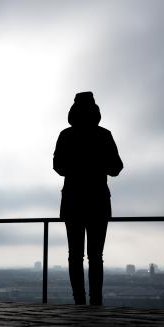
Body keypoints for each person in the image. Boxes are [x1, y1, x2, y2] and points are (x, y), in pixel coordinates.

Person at [54, 92, 123, 305]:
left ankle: (79, 301)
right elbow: (116, 168)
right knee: (95, 256)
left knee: (75, 256)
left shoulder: (66, 135)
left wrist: (77, 166)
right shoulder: (104, 135)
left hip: (73, 201)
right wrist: (97, 164)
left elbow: (59, 167)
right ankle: (96, 301)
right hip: (98, 201)